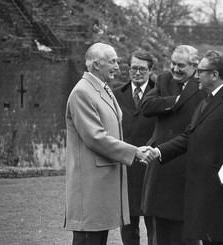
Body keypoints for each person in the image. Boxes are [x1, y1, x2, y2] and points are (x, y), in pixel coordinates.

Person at [150, 50, 223, 245]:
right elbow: (189, 136)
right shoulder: (205, 101)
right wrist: (158, 151)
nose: (196, 76)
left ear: (214, 75)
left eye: (200, 71)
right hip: (204, 194)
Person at [64, 42, 154, 245]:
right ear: (96, 64)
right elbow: (96, 137)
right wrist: (135, 152)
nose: (118, 67)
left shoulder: (102, 89)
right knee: (89, 239)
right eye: (112, 61)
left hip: (101, 185)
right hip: (90, 187)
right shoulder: (82, 92)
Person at [140, 45, 206, 245]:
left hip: (186, 164)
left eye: (181, 65)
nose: (175, 69)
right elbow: (146, 106)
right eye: (173, 64)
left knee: (184, 232)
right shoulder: (163, 79)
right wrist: (177, 100)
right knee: (158, 233)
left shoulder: (203, 85)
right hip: (160, 165)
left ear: (194, 66)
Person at [113, 50, 156, 245]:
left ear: (150, 70)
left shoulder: (160, 93)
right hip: (126, 168)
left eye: (142, 69)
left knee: (154, 225)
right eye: (133, 68)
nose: (137, 73)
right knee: (128, 226)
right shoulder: (115, 95)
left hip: (152, 167)